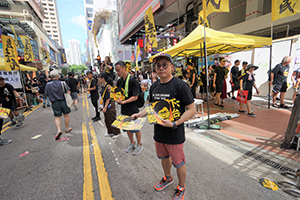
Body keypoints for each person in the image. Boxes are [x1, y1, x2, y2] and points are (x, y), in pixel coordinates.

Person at [131, 53, 196, 200]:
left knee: (178, 162)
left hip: (174, 133)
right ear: (155, 69)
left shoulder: (180, 85)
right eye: (158, 65)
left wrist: (175, 123)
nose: (161, 68)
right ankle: (168, 178)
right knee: (163, 157)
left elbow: (192, 110)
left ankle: (181, 187)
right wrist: (138, 115)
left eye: (164, 65)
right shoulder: (154, 86)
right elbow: (151, 108)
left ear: (171, 67)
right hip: (159, 132)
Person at [115, 61, 143, 156]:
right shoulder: (119, 81)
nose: (118, 73)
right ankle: (132, 143)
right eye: (116, 71)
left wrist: (124, 102)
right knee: (127, 128)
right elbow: (119, 94)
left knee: (135, 128)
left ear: (124, 68)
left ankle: (139, 144)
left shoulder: (133, 80)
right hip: (124, 108)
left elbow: (135, 96)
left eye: (119, 70)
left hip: (133, 108)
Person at [45, 70, 72, 140]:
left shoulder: (48, 85)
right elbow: (68, 91)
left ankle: (59, 130)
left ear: (51, 77)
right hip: (64, 101)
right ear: (58, 76)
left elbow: (47, 94)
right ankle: (67, 128)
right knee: (66, 115)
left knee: (57, 117)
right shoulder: (63, 83)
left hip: (55, 103)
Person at [98, 73, 120, 139]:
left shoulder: (108, 87)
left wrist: (105, 107)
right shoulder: (103, 86)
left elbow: (108, 98)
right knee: (107, 119)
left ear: (103, 79)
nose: (98, 79)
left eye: (99, 78)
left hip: (109, 104)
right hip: (105, 104)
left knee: (112, 118)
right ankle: (110, 132)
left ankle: (117, 132)